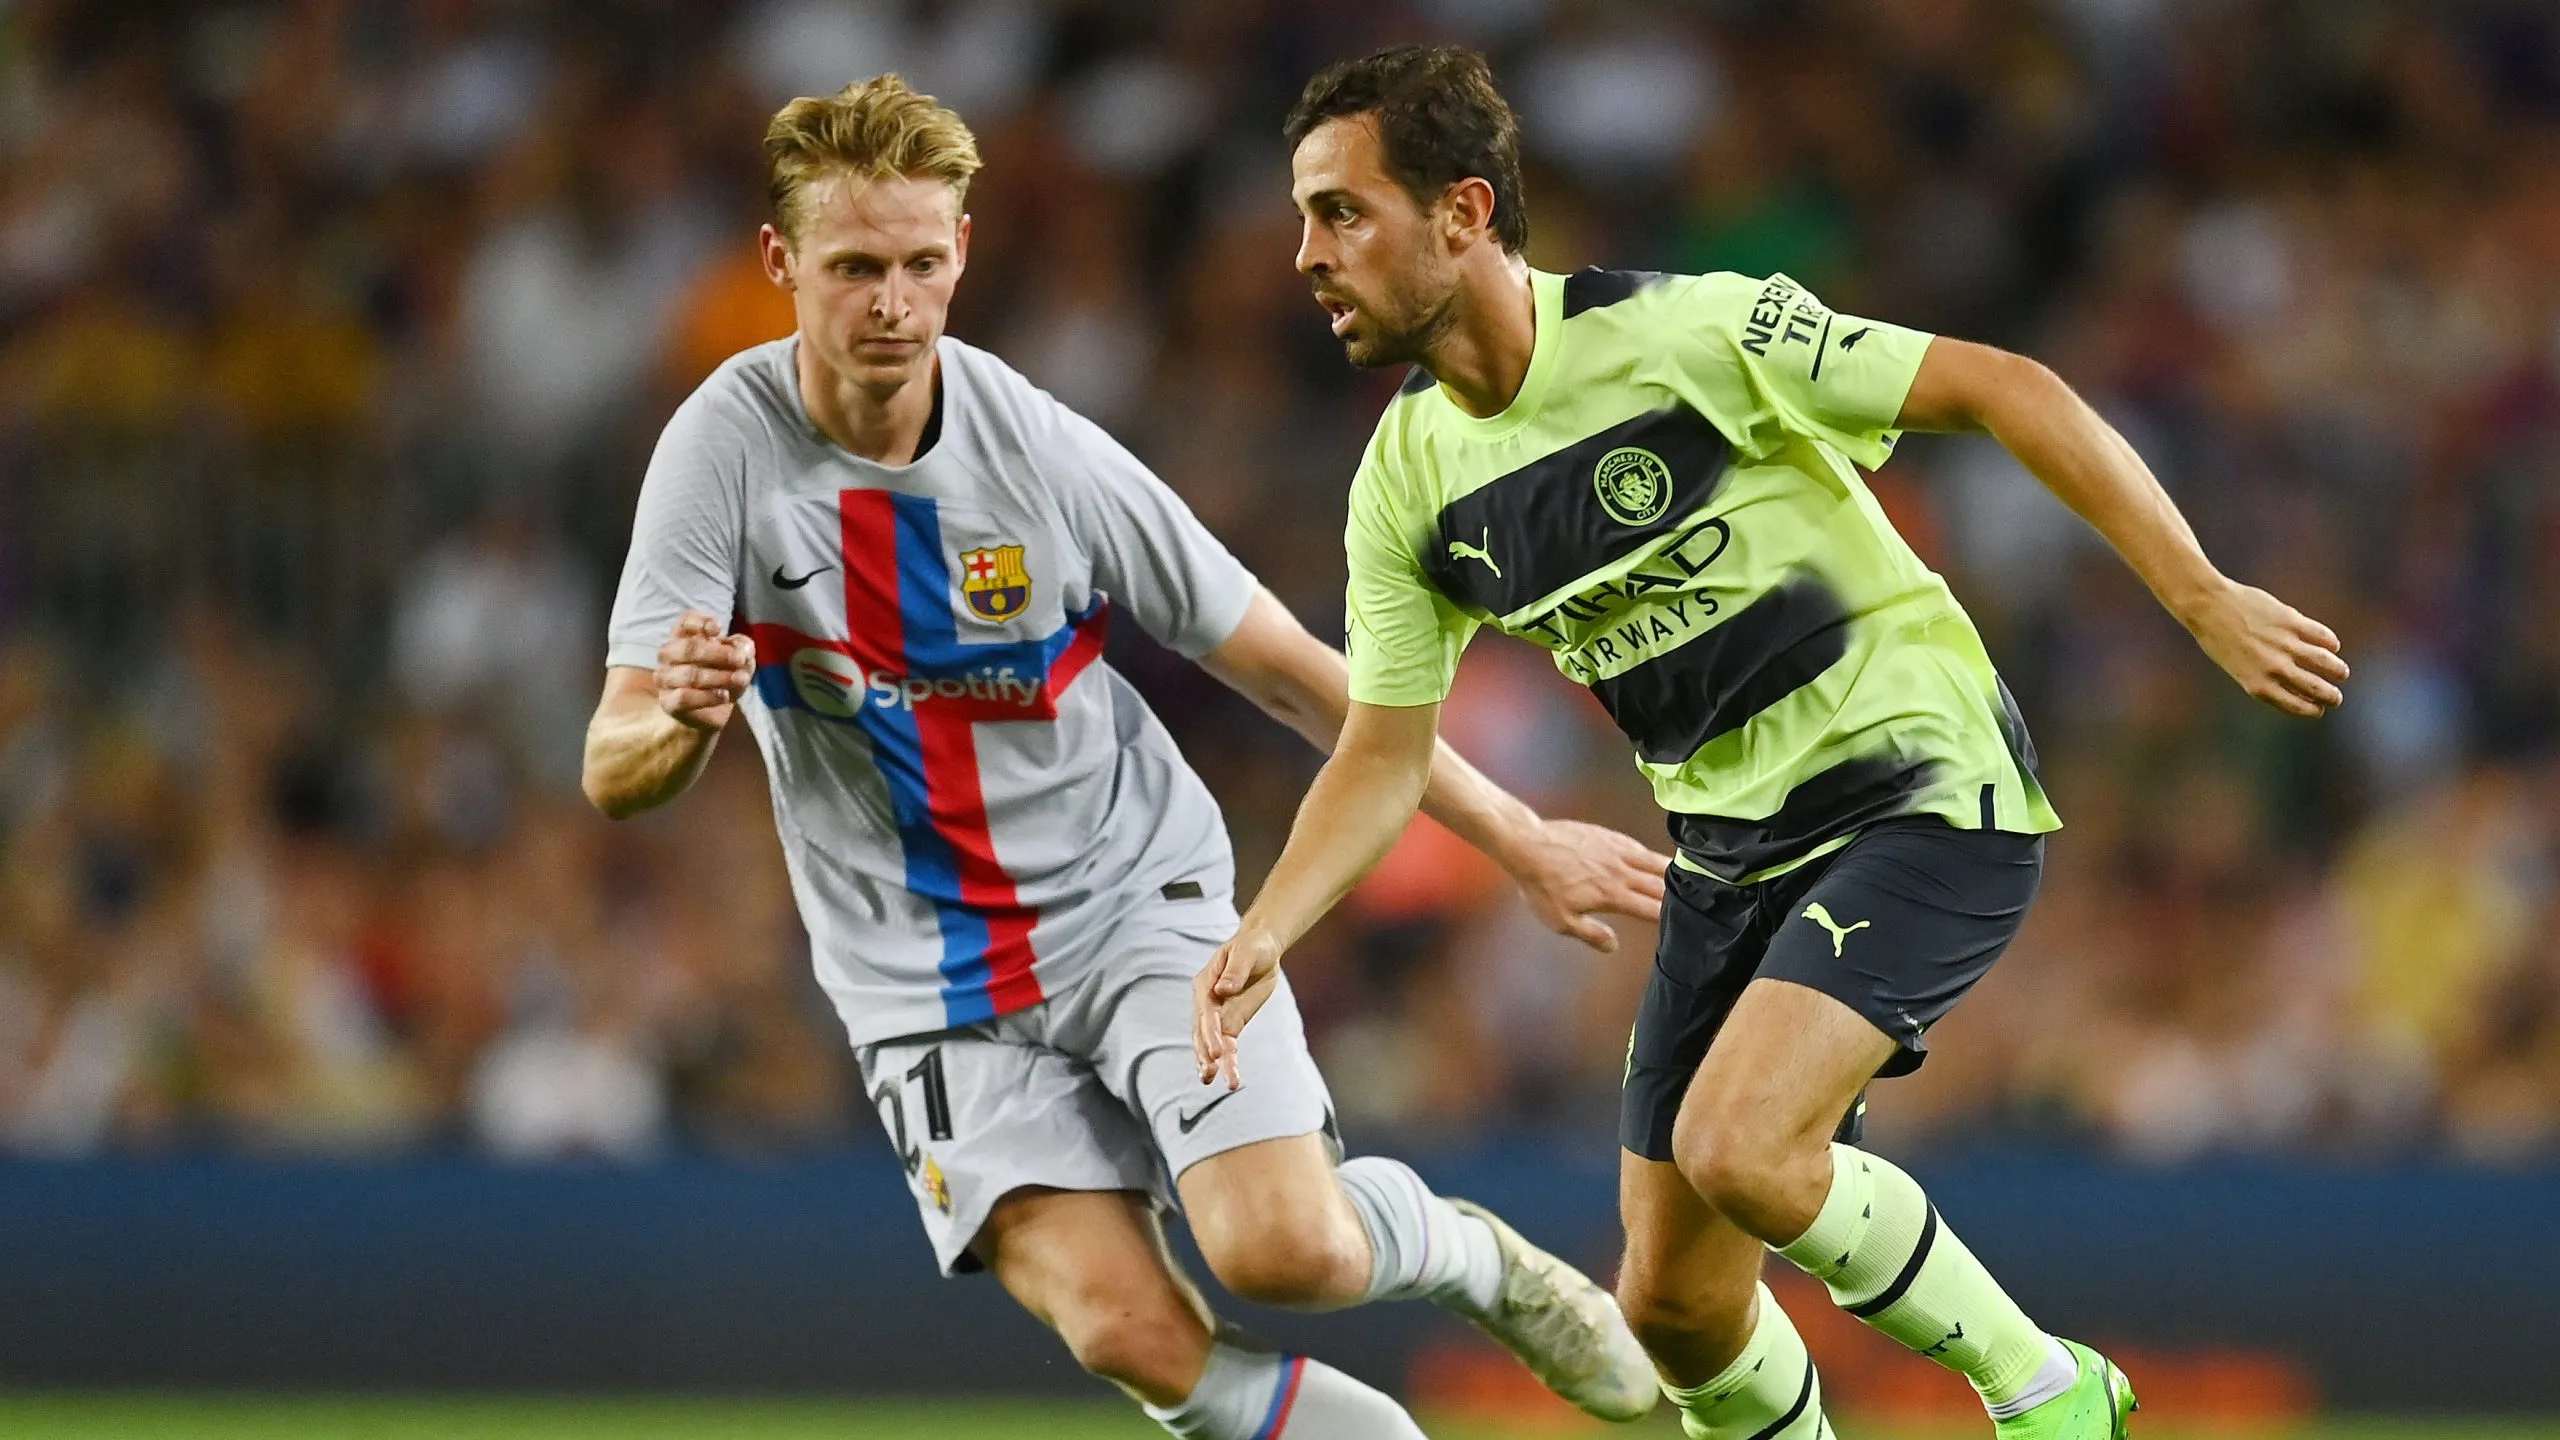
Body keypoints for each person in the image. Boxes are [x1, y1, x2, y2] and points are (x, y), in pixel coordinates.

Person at [1195, 44, 2351, 1440]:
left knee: (1743, 1145)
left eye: (1343, 212)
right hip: (1729, 857)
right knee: (1675, 1311)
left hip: (1916, 786)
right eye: (1304, 216)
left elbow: (2007, 386)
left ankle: (2051, 1393)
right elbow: (1382, 750)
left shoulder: (1684, 334)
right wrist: (1273, 923)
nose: (1307, 255)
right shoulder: (1406, 484)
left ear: (1465, 214)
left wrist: (2201, 595)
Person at [581, 74, 1665, 1439]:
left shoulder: (1035, 448)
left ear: (962, 253)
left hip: (1129, 908)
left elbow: (1292, 672)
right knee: (1130, 1333)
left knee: (1289, 1254)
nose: (893, 304)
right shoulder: (719, 456)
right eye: (855, 266)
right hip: (924, 986)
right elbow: (617, 759)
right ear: (781, 263)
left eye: (922, 263)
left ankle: (1474, 1257)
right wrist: (674, 719)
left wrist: (1520, 837)